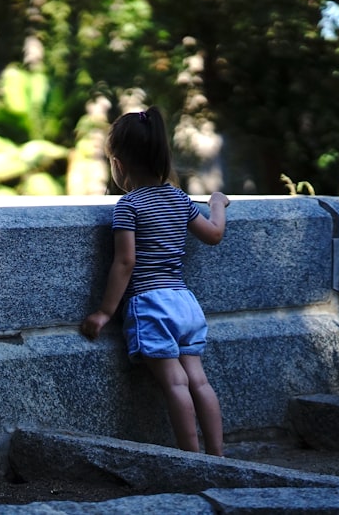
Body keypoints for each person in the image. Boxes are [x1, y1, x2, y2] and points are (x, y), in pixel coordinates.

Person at [80, 106, 229, 456]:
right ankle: (219, 456)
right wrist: (217, 203)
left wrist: (103, 312)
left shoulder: (129, 206)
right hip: (184, 303)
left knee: (175, 383)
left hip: (152, 305)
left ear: (118, 163)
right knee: (199, 381)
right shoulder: (179, 198)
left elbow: (125, 262)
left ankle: (191, 459)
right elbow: (214, 234)